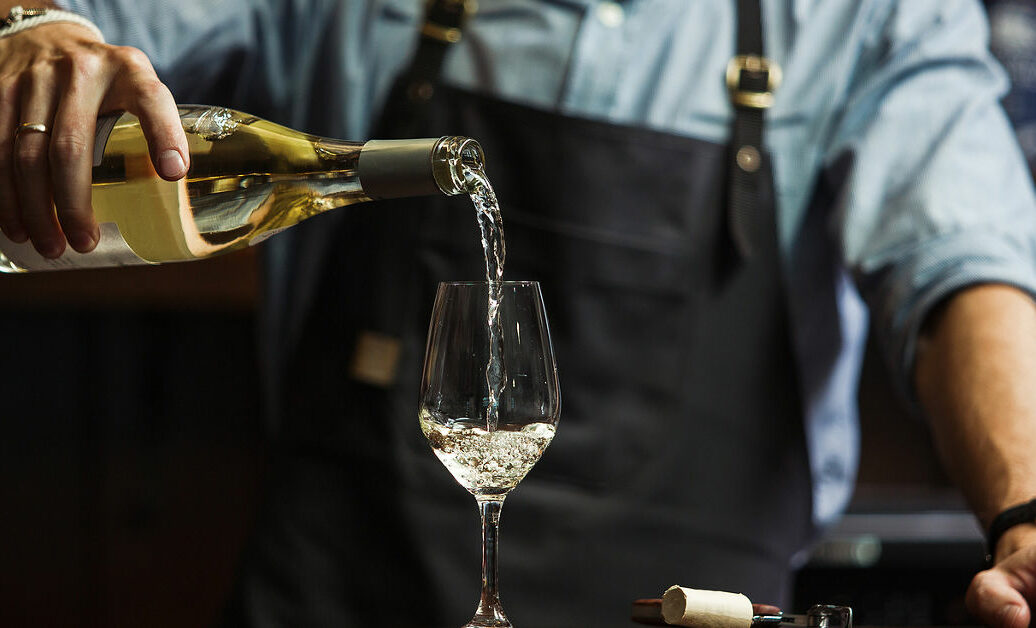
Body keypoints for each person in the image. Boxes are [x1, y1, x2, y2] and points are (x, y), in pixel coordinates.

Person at [2, 1, 1035, 626]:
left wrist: (1025, 509)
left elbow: (962, 258)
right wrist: (34, 32)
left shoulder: (871, 19)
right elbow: (88, 25)